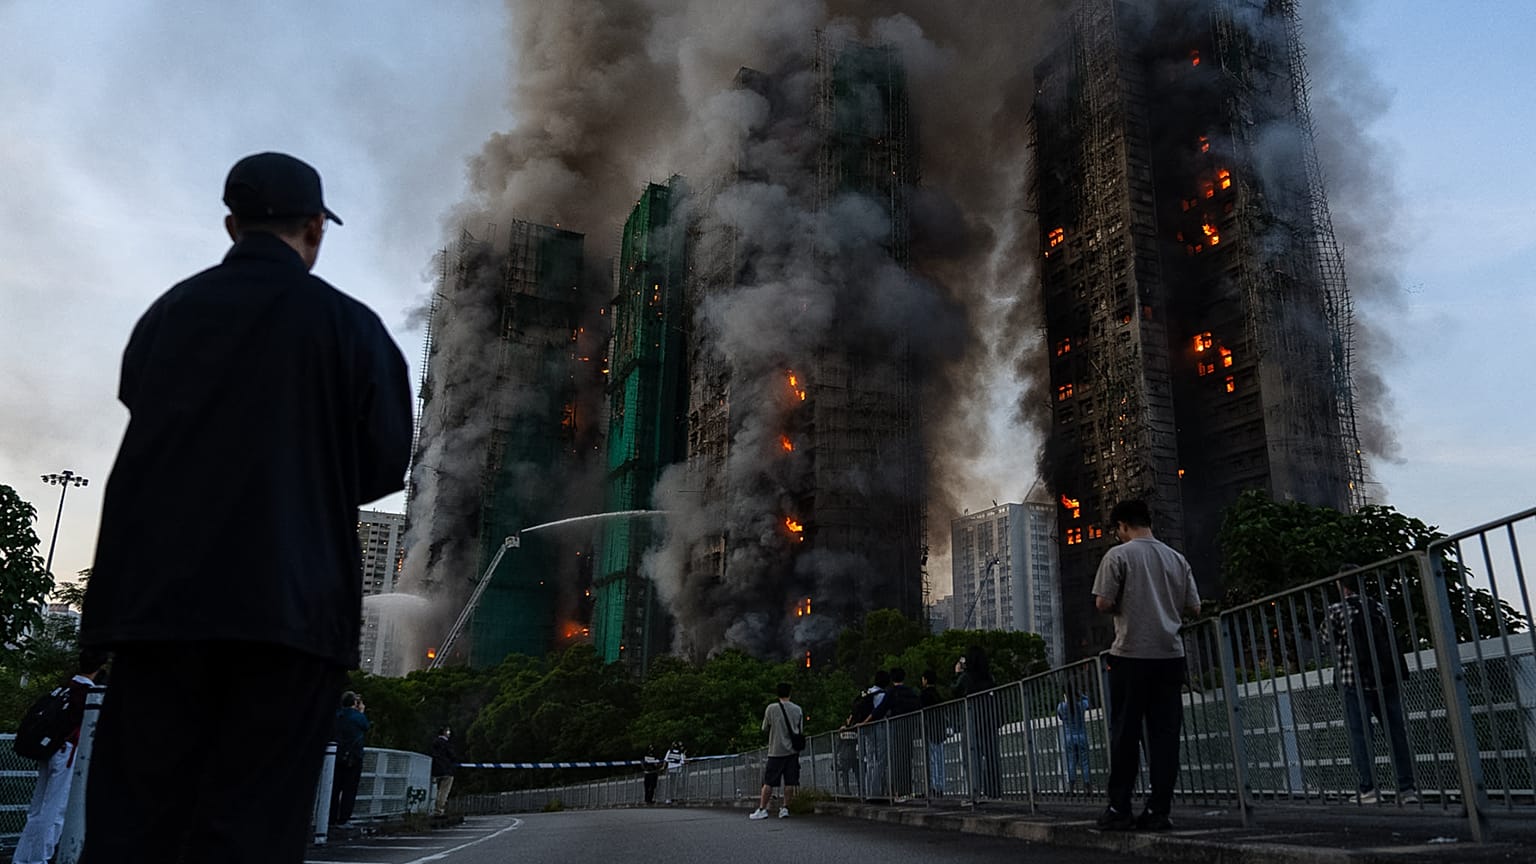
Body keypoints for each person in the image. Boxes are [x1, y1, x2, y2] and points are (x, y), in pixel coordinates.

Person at [79, 151, 413, 864]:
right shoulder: (353, 329)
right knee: (254, 830)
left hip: (155, 611)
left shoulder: (167, 315)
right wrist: (303, 481)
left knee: (133, 828)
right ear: (316, 228)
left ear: (232, 225)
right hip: (288, 617)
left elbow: (142, 406)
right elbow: (386, 461)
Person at [1091, 499, 1201, 831]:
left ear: (1122, 525)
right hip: (1170, 656)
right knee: (1165, 736)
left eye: (1117, 530)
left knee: (1126, 732)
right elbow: (1194, 607)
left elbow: (1103, 602)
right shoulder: (1176, 559)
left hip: (1130, 655)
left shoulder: (1118, 556)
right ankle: (1159, 810)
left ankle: (1119, 807)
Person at [1325, 574, 1420, 805]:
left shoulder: (1336, 609)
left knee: (1361, 735)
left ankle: (1369, 788)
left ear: (1341, 586)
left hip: (1354, 678)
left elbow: (1328, 638)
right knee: (1396, 732)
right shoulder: (1377, 606)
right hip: (1386, 678)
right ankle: (1406, 789)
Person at [12, 650, 109, 864]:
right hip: (68, 753)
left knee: (38, 808)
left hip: (49, 750)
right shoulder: (87, 694)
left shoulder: (63, 689)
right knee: (56, 810)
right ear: (101, 668)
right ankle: (40, 857)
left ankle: (22, 858)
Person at [750, 683, 803, 820]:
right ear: (790, 693)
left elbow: (764, 728)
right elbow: (800, 730)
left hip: (776, 750)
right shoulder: (798, 709)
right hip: (792, 751)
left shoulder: (771, 708)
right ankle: (785, 808)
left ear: (777, 693)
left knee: (768, 782)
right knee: (790, 782)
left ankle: (762, 809)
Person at [954, 647, 1000, 798]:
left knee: (972, 756)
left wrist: (957, 673)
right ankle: (994, 791)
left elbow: (954, 691)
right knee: (992, 755)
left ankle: (975, 792)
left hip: (972, 717)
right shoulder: (989, 677)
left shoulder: (966, 677)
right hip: (990, 717)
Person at [331, 691, 369, 826]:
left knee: (334, 788)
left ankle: (330, 818)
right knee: (349, 789)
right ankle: (344, 819)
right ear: (355, 703)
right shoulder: (357, 717)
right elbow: (366, 727)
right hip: (353, 757)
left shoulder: (337, 715)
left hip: (335, 755)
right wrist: (361, 711)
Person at [885, 667, 922, 798]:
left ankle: (898, 791)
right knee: (908, 758)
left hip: (896, 728)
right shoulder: (911, 692)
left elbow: (882, 708)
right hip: (909, 728)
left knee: (896, 760)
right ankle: (907, 789)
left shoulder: (891, 693)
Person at [859, 670, 892, 801]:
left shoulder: (868, 692)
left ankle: (868, 792)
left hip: (867, 730)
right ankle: (876, 792)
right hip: (879, 728)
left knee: (870, 760)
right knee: (880, 759)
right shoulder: (882, 695)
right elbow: (881, 711)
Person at [1058, 683, 1091, 795]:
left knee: (1071, 762)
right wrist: (1080, 694)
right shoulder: (1082, 704)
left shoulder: (1061, 706)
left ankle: (1071, 789)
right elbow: (1088, 701)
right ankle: (1087, 788)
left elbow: (1061, 718)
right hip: (1082, 736)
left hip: (1069, 737)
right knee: (1085, 763)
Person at [919, 669, 947, 798]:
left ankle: (934, 786)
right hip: (940, 727)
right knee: (940, 757)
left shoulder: (924, 694)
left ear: (925, 680)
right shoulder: (938, 694)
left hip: (929, 727)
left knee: (932, 759)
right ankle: (940, 786)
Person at [431, 726, 457, 817]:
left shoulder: (434, 743)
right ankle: (439, 810)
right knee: (444, 791)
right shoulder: (446, 744)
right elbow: (452, 756)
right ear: (444, 732)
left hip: (435, 770)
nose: (449, 733)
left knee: (435, 790)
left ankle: (431, 808)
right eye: (448, 731)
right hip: (446, 770)